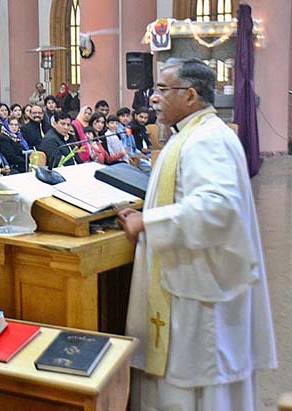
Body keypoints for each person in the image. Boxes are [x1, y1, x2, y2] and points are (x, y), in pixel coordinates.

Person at [117, 58, 276, 411]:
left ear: (189, 95)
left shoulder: (206, 139)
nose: (154, 98)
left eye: (162, 90)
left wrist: (147, 223)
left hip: (201, 294)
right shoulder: (192, 132)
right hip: (191, 280)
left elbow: (218, 207)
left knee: (202, 386)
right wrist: (149, 214)